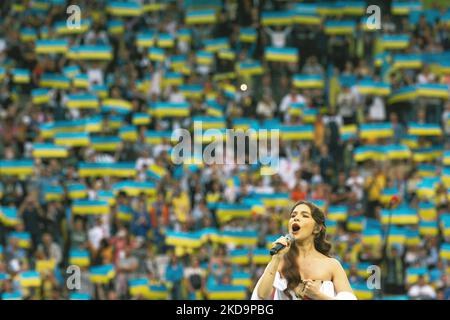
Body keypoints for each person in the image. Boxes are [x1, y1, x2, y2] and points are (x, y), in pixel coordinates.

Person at [251, 200, 356, 300]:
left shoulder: (332, 265)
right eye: (293, 215)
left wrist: (318, 296)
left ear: (317, 228)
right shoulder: (279, 261)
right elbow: (261, 295)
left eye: (304, 215)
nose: (296, 218)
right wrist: (276, 258)